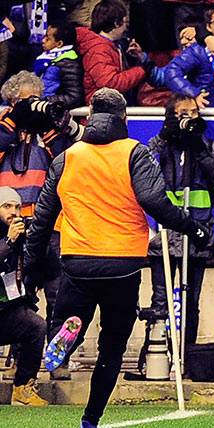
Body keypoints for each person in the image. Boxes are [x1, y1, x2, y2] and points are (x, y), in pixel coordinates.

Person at [24, 88, 211, 428]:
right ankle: (91, 418)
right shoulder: (133, 152)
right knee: (112, 346)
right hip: (122, 263)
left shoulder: (67, 157)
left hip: (77, 259)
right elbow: (156, 203)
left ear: (91, 115)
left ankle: (69, 335)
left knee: (69, 317)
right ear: (124, 118)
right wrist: (192, 228)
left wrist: (32, 263)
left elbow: (43, 216)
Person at [0, 71, 83, 380]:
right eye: (25, 101)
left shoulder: (48, 131)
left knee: (58, 293)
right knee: (18, 296)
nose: (32, 106)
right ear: (11, 102)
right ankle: (21, 364)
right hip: (11, 228)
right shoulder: (4, 129)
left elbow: (68, 158)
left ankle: (58, 358)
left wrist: (48, 126)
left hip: (50, 226)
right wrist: (14, 120)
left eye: (36, 99)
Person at [145, 93, 214, 347]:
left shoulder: (207, 145)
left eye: (194, 113)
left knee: (192, 300)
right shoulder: (162, 146)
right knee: (160, 299)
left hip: (197, 234)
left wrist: (199, 149)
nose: (189, 118)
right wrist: (165, 134)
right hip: (165, 235)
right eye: (183, 113)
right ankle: (157, 352)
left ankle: (187, 353)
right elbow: (144, 162)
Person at [0, 187, 48, 407]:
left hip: (5, 310)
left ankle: (22, 389)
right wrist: (8, 243)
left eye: (17, 207)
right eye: (7, 206)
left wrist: (35, 241)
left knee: (35, 326)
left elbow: (33, 271)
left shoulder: (19, 234)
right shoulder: (9, 238)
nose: (14, 212)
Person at [165, 4, 214, 108]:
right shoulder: (198, 50)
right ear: (208, 27)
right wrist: (193, 93)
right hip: (203, 111)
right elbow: (171, 71)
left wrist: (197, 30)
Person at [75, 0, 155, 103]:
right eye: (125, 23)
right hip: (102, 111)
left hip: (110, 107)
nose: (126, 28)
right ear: (117, 23)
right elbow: (110, 83)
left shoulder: (112, 45)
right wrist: (141, 70)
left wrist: (137, 57)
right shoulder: (98, 49)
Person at [33, 22, 84, 109]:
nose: (43, 40)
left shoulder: (69, 63)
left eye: (48, 39)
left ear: (59, 44)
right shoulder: (45, 58)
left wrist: (46, 101)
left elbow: (74, 97)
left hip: (51, 111)